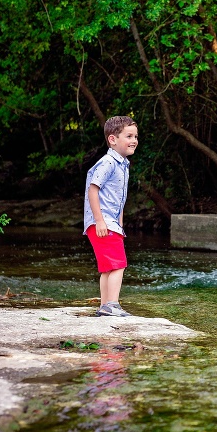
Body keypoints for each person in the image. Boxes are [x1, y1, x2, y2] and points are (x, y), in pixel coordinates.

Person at [83, 115, 139, 317]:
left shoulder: (123, 164)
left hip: (111, 222)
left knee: (108, 267)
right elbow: (93, 190)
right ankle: (112, 305)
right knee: (119, 265)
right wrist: (99, 220)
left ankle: (105, 306)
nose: (134, 140)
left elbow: (119, 198)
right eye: (129, 136)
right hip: (102, 221)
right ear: (113, 140)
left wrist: (120, 224)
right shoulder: (108, 163)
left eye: (136, 136)